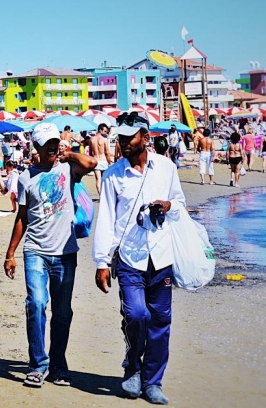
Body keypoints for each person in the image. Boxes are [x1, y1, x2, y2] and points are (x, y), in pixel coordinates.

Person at [92, 113, 186, 405]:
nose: (122, 142)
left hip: (161, 255)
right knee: (135, 315)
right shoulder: (113, 175)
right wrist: (101, 262)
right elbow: (106, 219)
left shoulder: (167, 168)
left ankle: (152, 381)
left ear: (145, 138)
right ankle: (132, 365)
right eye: (119, 137)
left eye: (128, 137)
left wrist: (169, 205)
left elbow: (181, 204)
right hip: (129, 258)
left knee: (161, 321)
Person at [3, 123, 96, 388]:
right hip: (36, 251)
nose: (54, 147)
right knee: (36, 304)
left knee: (63, 312)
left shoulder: (68, 169)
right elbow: (21, 218)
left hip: (65, 252)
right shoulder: (25, 178)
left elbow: (91, 163)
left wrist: (71, 154)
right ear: (37, 148)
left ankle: (58, 366)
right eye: (48, 144)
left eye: (56, 142)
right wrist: (10, 254)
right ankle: (37, 365)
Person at [89, 124, 114, 195]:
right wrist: (109, 162)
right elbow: (107, 153)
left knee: (98, 179)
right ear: (100, 130)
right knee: (105, 179)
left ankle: (100, 195)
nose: (106, 132)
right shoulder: (104, 140)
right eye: (105, 131)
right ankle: (105, 195)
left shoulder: (91, 139)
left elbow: (90, 152)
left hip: (95, 160)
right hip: (103, 161)